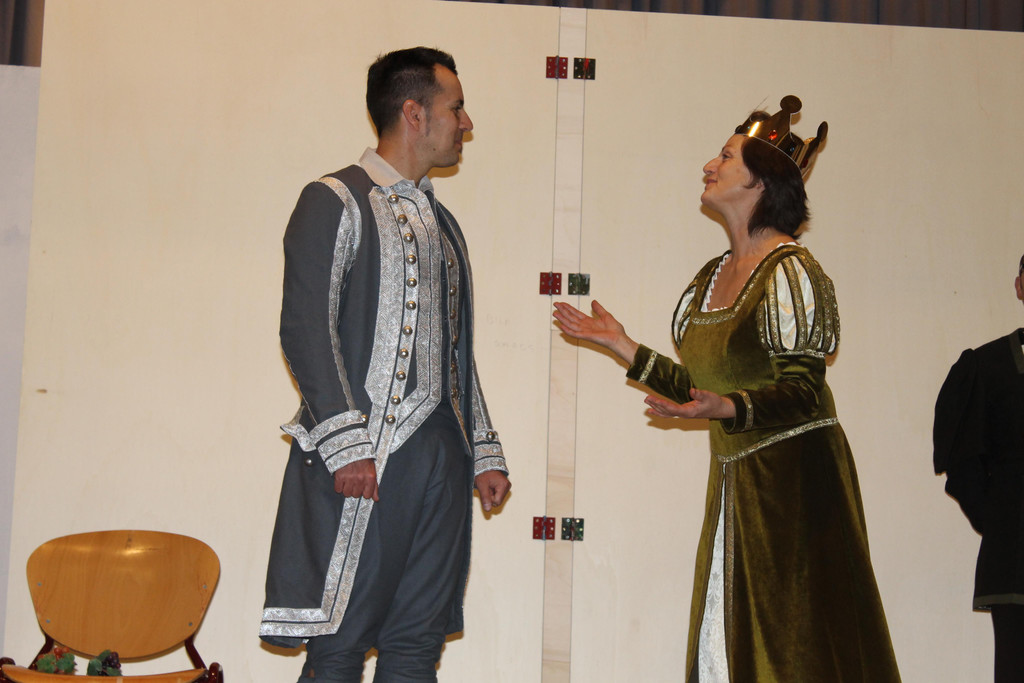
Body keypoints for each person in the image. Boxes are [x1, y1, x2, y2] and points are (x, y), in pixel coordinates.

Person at [553, 97, 900, 681]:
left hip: (795, 487)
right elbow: (703, 392)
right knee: (727, 634)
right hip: (738, 482)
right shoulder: (709, 277)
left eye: (725, 156)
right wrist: (623, 346)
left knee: (798, 645)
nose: (708, 166)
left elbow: (803, 391)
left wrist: (730, 407)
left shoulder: (791, 271)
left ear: (760, 182)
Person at [260, 47, 511, 683]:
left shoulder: (444, 224)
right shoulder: (334, 198)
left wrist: (483, 450)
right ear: (414, 113)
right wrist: (347, 445)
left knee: (417, 643)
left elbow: (456, 350)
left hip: (441, 456)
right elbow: (305, 327)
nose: (466, 123)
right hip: (369, 453)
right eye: (456, 107)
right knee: (340, 641)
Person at [933, 254, 1024, 683]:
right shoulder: (988, 368)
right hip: (1016, 564)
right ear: (1020, 286)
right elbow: (964, 467)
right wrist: (1004, 519)